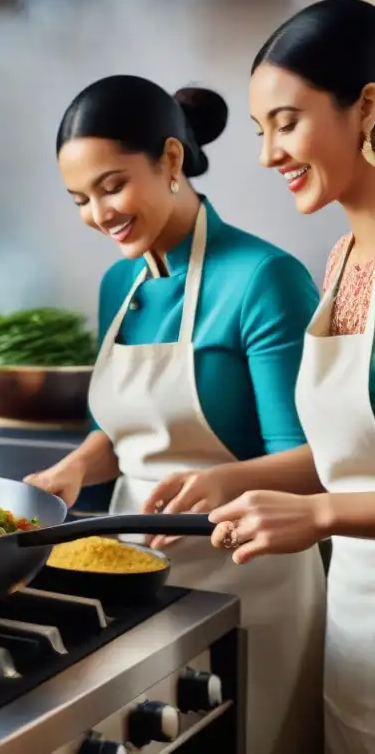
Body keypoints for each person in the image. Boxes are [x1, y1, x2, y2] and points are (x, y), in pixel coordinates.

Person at [24, 75, 326, 754]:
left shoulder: (262, 278)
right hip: (143, 583)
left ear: (169, 159)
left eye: (111, 186)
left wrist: (221, 484)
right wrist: (75, 467)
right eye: (79, 199)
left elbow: (316, 465)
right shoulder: (119, 284)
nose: (99, 213)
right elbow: (126, 430)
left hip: (255, 585)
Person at [149, 0, 375, 753]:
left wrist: (318, 518)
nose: (267, 153)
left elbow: (339, 497)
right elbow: (350, 461)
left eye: (287, 121)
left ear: (368, 107)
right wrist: (232, 481)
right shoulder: (341, 261)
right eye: (259, 131)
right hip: (355, 633)